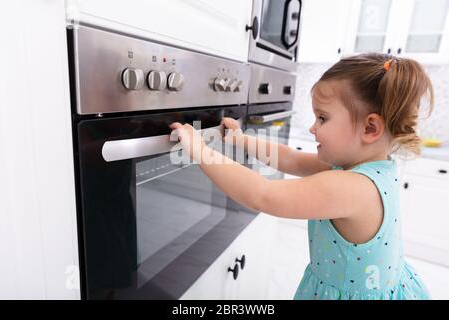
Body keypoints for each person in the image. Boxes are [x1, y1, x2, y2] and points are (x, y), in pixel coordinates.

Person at [169, 53, 434, 300]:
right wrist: (241, 140)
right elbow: (291, 159)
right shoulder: (365, 168)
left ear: (370, 127)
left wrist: (201, 152)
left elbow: (264, 195)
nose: (312, 127)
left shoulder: (352, 188)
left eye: (322, 118)